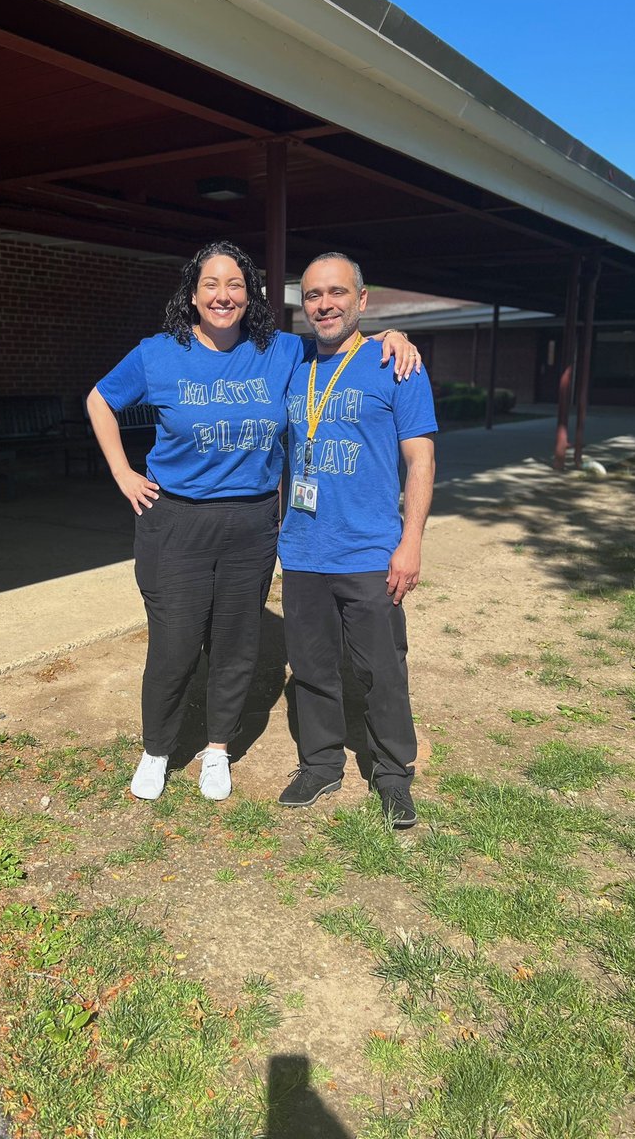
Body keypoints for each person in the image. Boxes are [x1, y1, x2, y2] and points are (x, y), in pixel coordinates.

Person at [86, 240, 419, 803]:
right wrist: (122, 474)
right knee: (175, 643)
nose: (223, 295)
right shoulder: (157, 353)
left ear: (251, 295)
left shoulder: (280, 351)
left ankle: (218, 750)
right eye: (211, 284)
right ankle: (157, 749)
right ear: (192, 295)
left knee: (237, 644)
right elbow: (100, 400)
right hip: (177, 523)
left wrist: (393, 336)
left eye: (235, 284)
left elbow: (339, 339)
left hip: (253, 520)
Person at [276, 252, 437, 828]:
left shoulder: (396, 364)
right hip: (302, 551)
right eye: (313, 295)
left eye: (337, 293)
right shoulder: (292, 364)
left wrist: (410, 541)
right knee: (312, 666)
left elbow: (420, 461)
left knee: (381, 669)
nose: (325, 304)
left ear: (362, 300)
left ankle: (393, 774)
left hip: (371, 551)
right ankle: (320, 763)